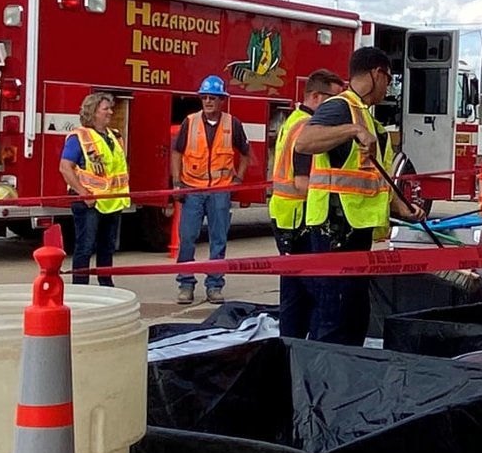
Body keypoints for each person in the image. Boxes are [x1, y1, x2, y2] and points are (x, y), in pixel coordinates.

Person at [293, 47, 425, 345]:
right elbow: (305, 142)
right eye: (389, 79)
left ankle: (346, 376)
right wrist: (352, 130)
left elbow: (373, 177)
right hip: (334, 229)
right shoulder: (341, 107)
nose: (388, 87)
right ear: (377, 73)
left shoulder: (369, 119)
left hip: (355, 230)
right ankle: (324, 379)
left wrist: (402, 207)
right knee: (335, 314)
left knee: (353, 314)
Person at [269, 70, 343, 338]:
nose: (337, 107)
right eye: (333, 99)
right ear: (315, 96)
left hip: (286, 213)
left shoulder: (295, 120)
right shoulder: (307, 128)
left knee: (293, 291)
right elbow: (302, 182)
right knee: (312, 291)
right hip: (298, 218)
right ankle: (306, 349)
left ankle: (289, 346)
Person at [172, 76, 251, 305]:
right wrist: (177, 182)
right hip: (192, 189)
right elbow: (177, 152)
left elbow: (245, 152)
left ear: (221, 100)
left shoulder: (232, 124)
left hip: (220, 191)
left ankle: (214, 286)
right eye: (204, 97)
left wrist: (238, 178)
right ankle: (186, 284)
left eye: (212, 98)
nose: (208, 102)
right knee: (187, 238)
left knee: (218, 240)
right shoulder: (190, 122)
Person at [60, 92, 129, 287]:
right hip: (88, 203)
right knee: (85, 246)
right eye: (106, 108)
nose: (110, 112)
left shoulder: (115, 136)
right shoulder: (78, 137)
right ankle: (80, 288)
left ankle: (106, 285)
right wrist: (83, 193)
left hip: (113, 201)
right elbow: (65, 167)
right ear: (93, 112)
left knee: (107, 248)